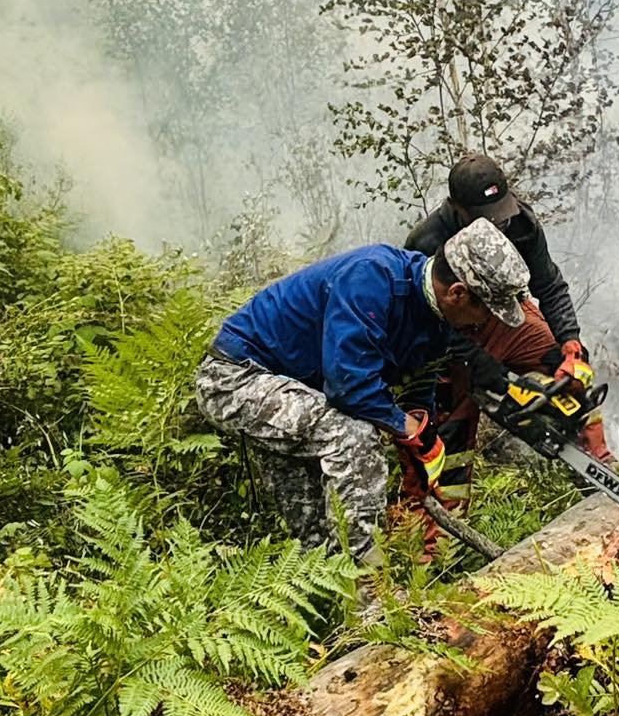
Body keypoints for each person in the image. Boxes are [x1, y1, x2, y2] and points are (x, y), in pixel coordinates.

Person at [195, 220, 530, 552]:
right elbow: (348, 386)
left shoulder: (437, 317)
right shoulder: (371, 277)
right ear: (457, 293)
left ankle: (327, 574)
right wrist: (404, 428)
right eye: (487, 312)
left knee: (314, 528)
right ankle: (366, 579)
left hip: (301, 391)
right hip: (235, 378)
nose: (485, 322)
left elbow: (419, 380)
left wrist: (419, 437)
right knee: (352, 435)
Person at [404, 153, 612, 462]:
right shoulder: (426, 242)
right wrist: (484, 365)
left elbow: (549, 286)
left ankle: (598, 459)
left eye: (500, 211)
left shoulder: (521, 224)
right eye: (486, 216)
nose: (499, 222)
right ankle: (450, 489)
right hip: (447, 335)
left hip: (504, 314)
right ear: (456, 207)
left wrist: (571, 342)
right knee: (452, 423)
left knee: (561, 368)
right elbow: (423, 319)